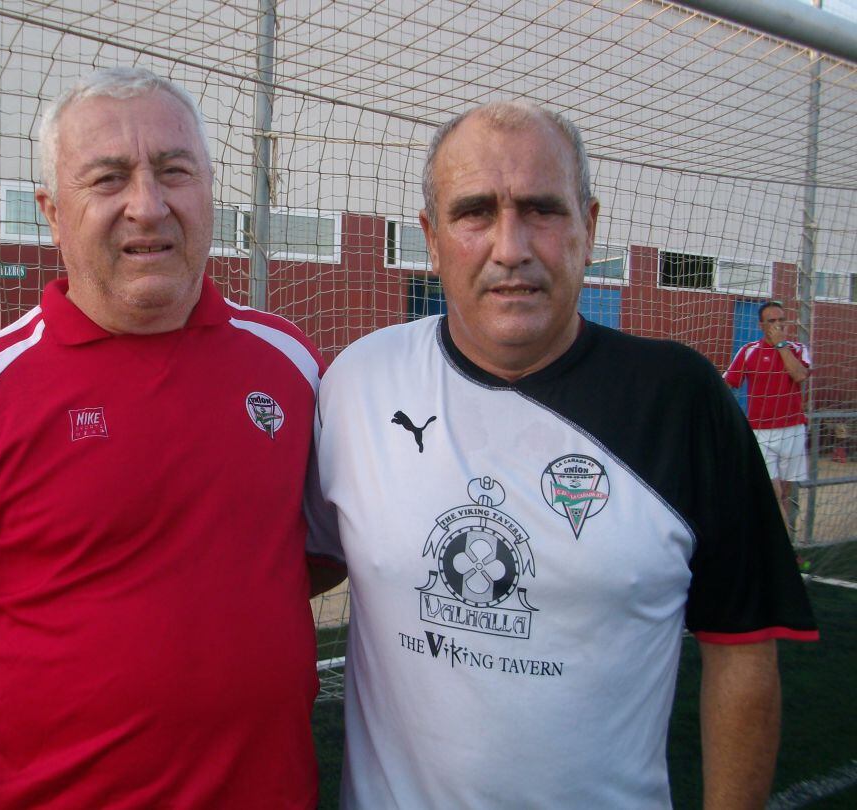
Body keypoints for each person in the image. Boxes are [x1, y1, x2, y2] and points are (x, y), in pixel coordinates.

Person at [0, 66, 335, 809]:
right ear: (53, 212)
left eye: (174, 171)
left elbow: (315, 554)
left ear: (209, 190)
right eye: (108, 178)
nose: (148, 205)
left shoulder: (291, 365)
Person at [306, 101, 818, 808]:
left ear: (590, 226)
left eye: (542, 210)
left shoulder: (679, 400)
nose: (510, 246)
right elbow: (298, 566)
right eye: (475, 212)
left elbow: (742, 650)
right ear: (431, 236)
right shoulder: (359, 383)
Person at [725, 301, 812, 532]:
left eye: (781, 321)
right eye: (772, 321)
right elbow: (728, 383)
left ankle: (785, 543)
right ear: (761, 325)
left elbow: (800, 375)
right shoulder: (749, 351)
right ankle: (786, 552)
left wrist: (781, 345)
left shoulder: (798, 349)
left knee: (785, 493)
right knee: (772, 493)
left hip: (792, 429)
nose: (778, 326)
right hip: (761, 431)